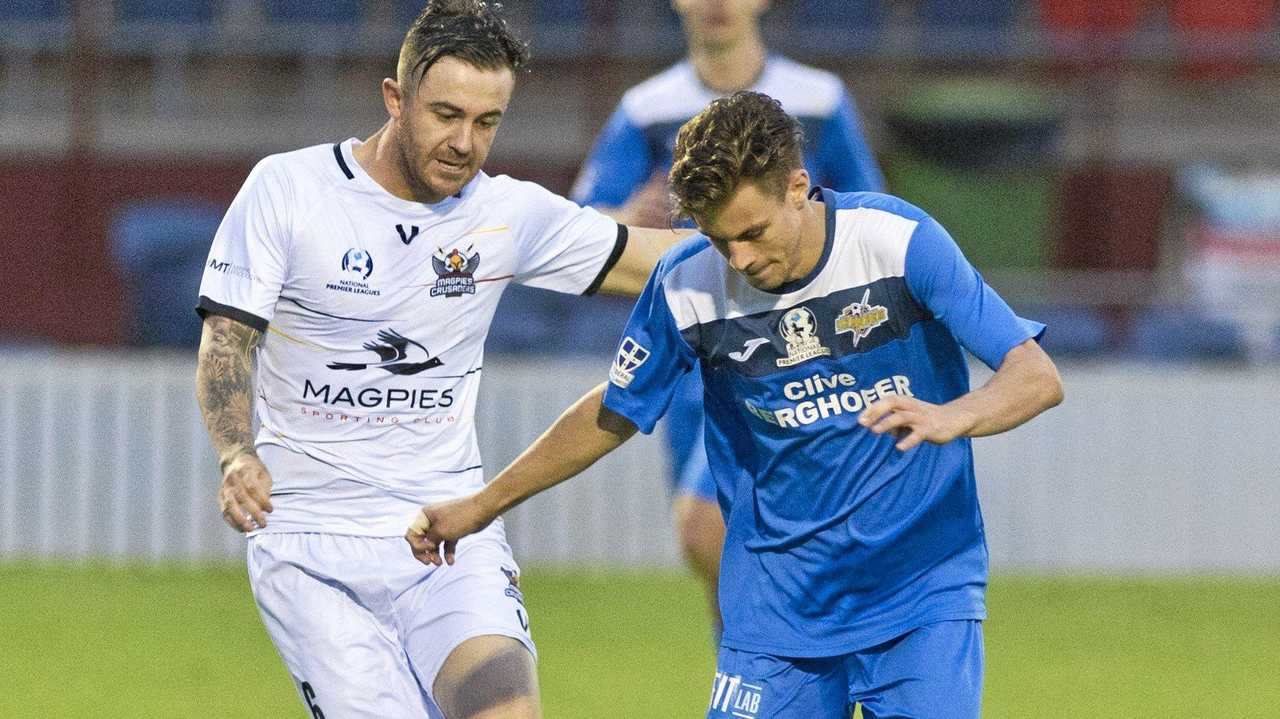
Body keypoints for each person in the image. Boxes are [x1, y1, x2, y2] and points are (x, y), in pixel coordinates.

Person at [407, 91, 1064, 718]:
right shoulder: (689, 282)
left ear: (799, 187)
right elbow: (614, 410)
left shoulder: (895, 241)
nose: (741, 260)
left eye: (752, 231)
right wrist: (480, 504)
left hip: (920, 595)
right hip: (776, 613)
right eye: (722, 240)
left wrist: (953, 415)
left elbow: (1034, 374)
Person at [192, 2, 684, 717]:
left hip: (447, 531)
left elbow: (656, 264)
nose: (464, 142)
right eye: (445, 114)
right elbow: (229, 336)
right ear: (395, 98)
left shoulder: (505, 214)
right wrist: (236, 452)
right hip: (308, 544)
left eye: (487, 122)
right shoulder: (289, 190)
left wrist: (803, 243)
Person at [571, 0, 886, 633]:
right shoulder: (647, 107)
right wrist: (634, 217)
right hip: (695, 359)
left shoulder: (818, 99)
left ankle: (803, 666)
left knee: (707, 526)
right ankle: (755, 683)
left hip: (798, 352)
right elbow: (579, 236)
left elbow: (873, 218)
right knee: (720, 553)